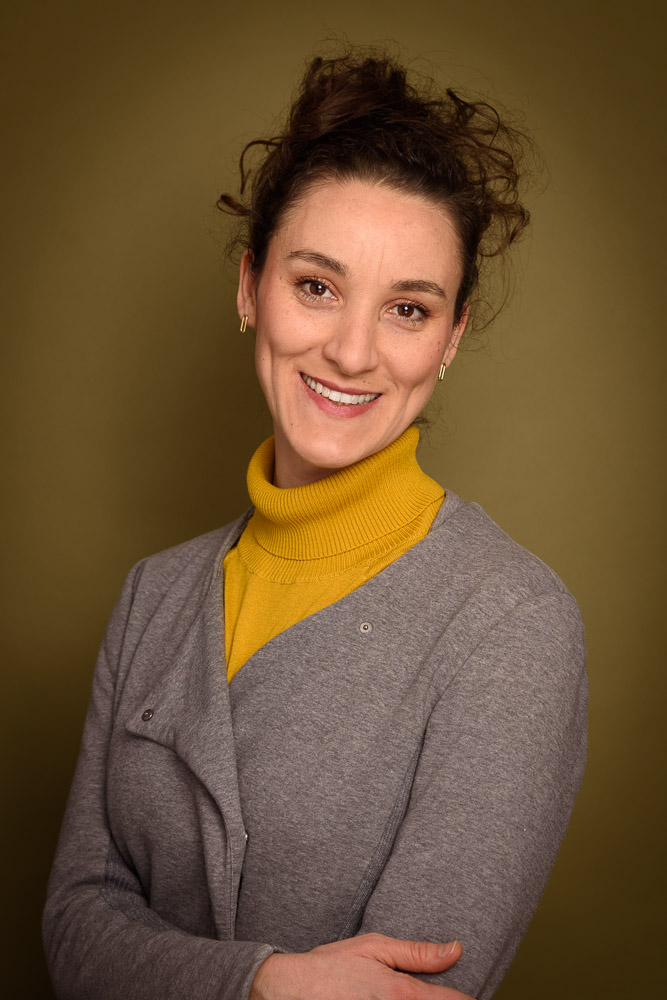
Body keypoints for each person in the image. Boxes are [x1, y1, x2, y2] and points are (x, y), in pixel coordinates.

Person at [42, 50, 587, 1000]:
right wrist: (261, 983)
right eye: (317, 286)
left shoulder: (511, 626)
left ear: (451, 337)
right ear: (250, 286)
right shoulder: (152, 597)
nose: (351, 351)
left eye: (407, 308)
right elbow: (76, 924)